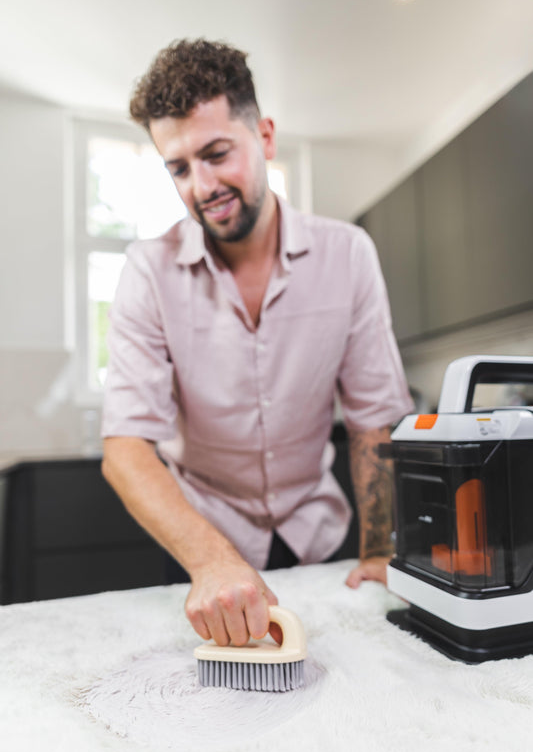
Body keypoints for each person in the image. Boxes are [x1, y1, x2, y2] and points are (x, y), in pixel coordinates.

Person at [101, 38, 413, 649]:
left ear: (265, 137)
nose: (202, 185)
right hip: (200, 548)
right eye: (180, 167)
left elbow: (376, 418)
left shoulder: (347, 254)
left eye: (218, 154)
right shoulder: (149, 270)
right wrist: (210, 559)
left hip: (320, 538)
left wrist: (380, 550)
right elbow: (126, 448)